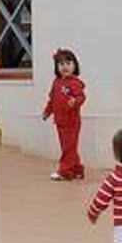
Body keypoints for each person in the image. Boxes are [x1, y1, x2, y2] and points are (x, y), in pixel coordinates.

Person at [43, 47, 88, 180]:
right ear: (57, 67)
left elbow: (82, 97)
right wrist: (47, 111)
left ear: (75, 66)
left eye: (68, 63)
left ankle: (64, 171)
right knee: (69, 147)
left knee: (68, 148)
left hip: (72, 122)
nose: (65, 67)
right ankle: (77, 169)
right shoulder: (56, 82)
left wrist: (75, 101)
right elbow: (52, 100)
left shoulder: (75, 83)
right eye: (61, 64)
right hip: (60, 121)